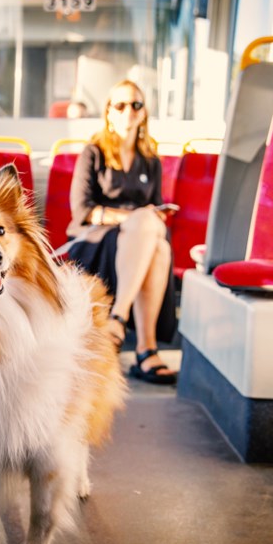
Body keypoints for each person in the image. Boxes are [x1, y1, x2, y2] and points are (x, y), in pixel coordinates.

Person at [65, 79, 178, 385]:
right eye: (121, 105)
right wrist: (131, 219)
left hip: (139, 240)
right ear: (109, 112)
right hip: (95, 239)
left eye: (136, 105)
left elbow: (154, 208)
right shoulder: (94, 152)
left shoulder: (150, 160)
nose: (129, 111)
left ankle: (121, 321)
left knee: (157, 243)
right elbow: (82, 210)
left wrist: (147, 218)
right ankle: (144, 348)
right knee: (147, 230)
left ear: (143, 114)